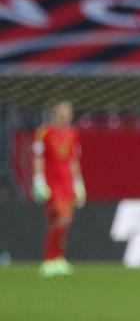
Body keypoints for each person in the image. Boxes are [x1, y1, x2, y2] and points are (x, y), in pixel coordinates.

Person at [32, 101, 86, 277]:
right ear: (55, 114)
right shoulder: (44, 133)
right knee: (63, 218)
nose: (66, 116)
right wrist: (39, 181)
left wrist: (79, 183)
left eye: (68, 113)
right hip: (52, 183)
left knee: (60, 222)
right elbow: (38, 157)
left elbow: (73, 160)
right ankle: (49, 259)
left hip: (67, 183)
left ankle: (57, 258)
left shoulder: (73, 134)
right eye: (63, 113)